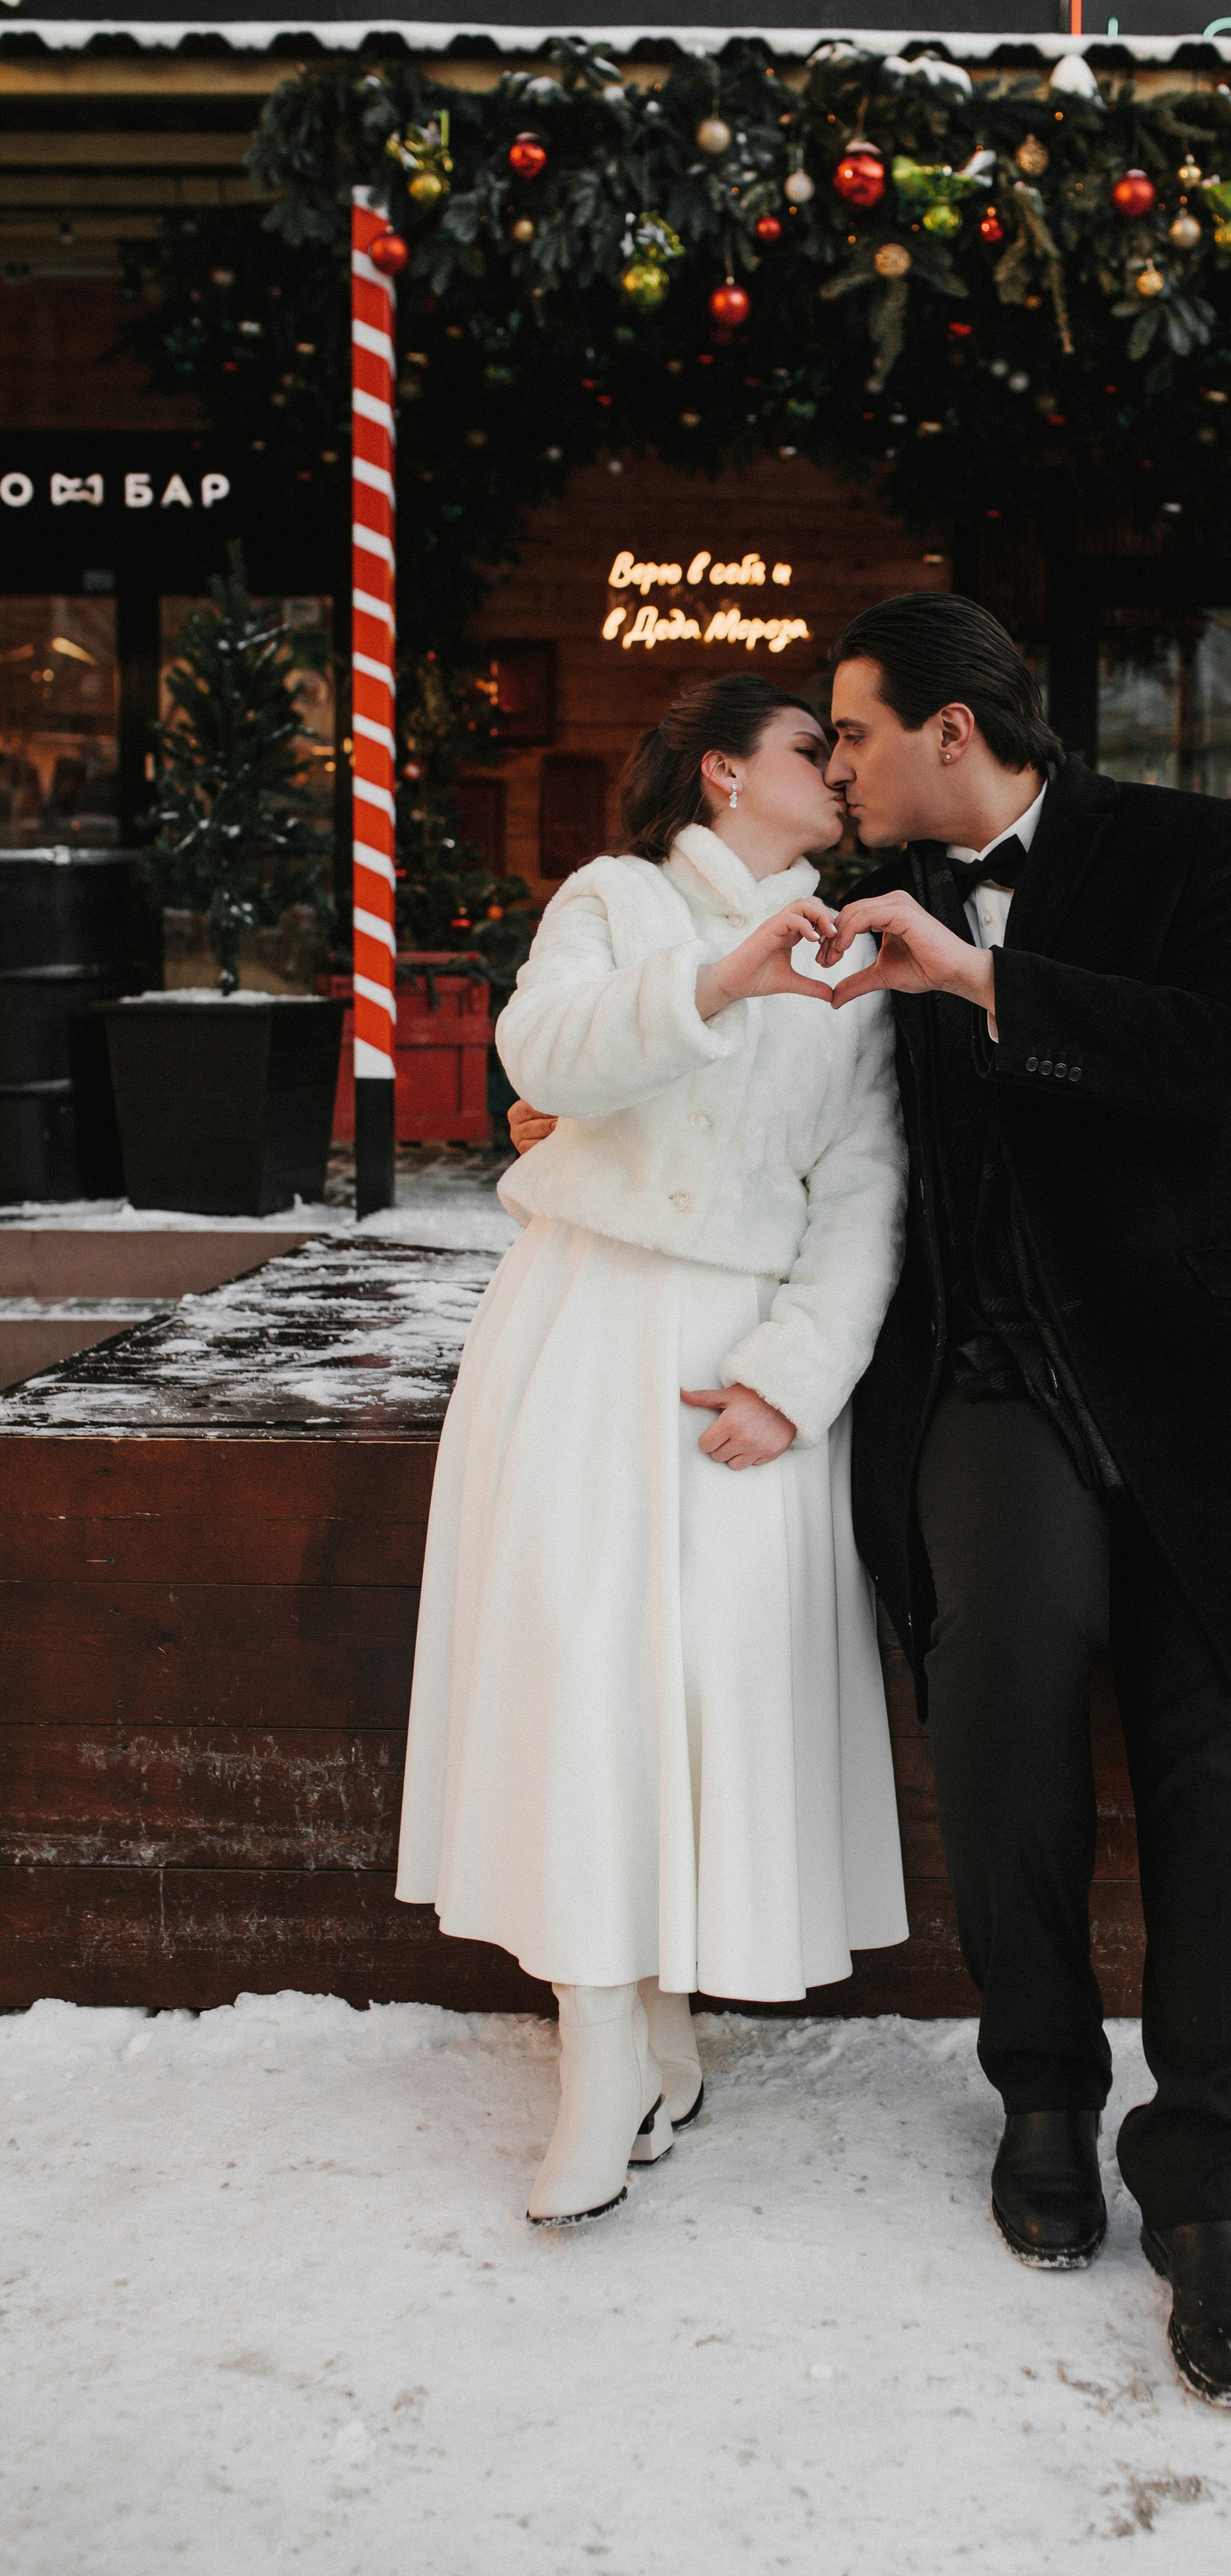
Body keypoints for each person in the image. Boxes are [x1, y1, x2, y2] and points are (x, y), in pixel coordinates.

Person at [811, 593, 1231, 2407]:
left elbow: (1227, 1056)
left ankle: (1213, 2183)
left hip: (1202, 1379)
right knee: (998, 1694)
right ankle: (1042, 2090)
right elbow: (757, 1083)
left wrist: (978, 976)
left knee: (1215, 1750)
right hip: (987, 1373)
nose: (834, 765)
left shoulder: (1186, 846)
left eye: (854, 731)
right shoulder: (855, 897)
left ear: (950, 729)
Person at [398, 672, 909, 2226]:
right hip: (585, 1325)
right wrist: (716, 980)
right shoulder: (614, 902)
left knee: (697, 1693)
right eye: (810, 750)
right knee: (580, 1681)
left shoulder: (861, 955)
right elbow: (542, 1060)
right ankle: (601, 2045)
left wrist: (795, 1375)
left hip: (735, 1364)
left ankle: (661, 2017)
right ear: (720, 775)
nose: (837, 773)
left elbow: (865, 1187)